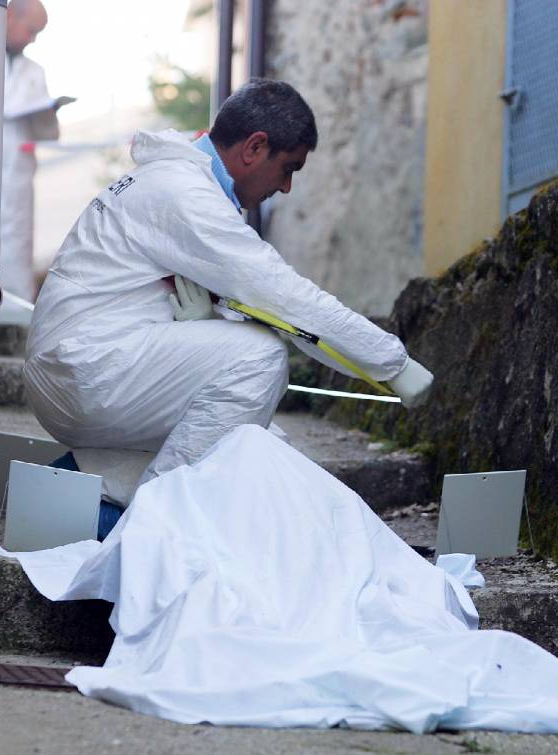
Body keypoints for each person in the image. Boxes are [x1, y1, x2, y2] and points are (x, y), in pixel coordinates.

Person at [24, 79, 433, 488]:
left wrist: (202, 323)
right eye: (288, 169)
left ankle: (90, 496)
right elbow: (281, 294)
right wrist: (393, 363)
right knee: (258, 360)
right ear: (255, 147)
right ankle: (161, 518)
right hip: (86, 372)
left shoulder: (177, 182)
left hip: (85, 368)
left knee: (258, 444)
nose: (286, 188)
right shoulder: (185, 194)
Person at [1, 0, 59, 301]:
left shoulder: (34, 71)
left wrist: (49, 113)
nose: (33, 39)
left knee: (17, 243)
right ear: (9, 16)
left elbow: (47, 133)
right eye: (31, 30)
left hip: (18, 176)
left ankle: (15, 312)